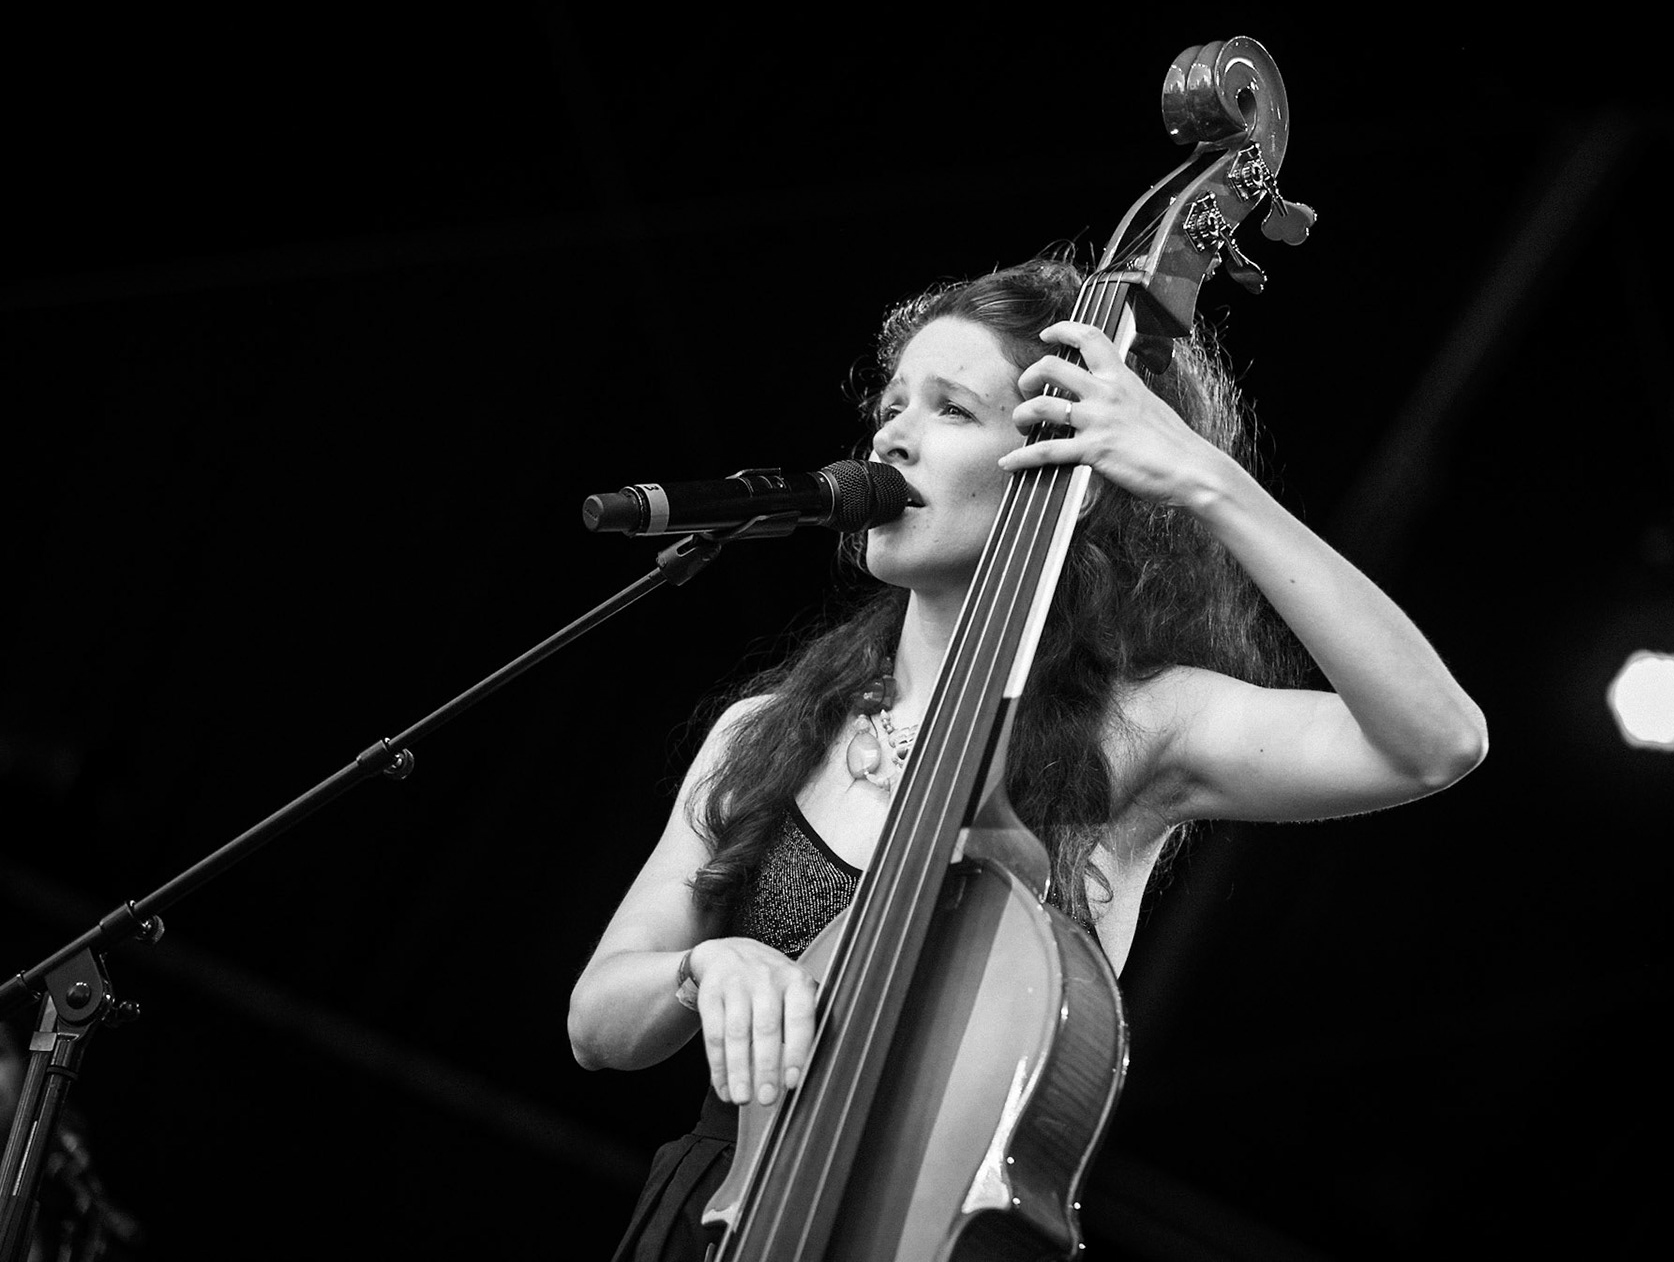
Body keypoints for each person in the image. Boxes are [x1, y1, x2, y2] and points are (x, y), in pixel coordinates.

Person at [567, 255, 1488, 1259]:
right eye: (891, 406)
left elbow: (1434, 739)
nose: (893, 434)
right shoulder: (767, 731)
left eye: (951, 410)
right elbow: (597, 1021)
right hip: (708, 1225)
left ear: (1064, 471)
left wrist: (1206, 480)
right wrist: (705, 967)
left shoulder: (1139, 733)